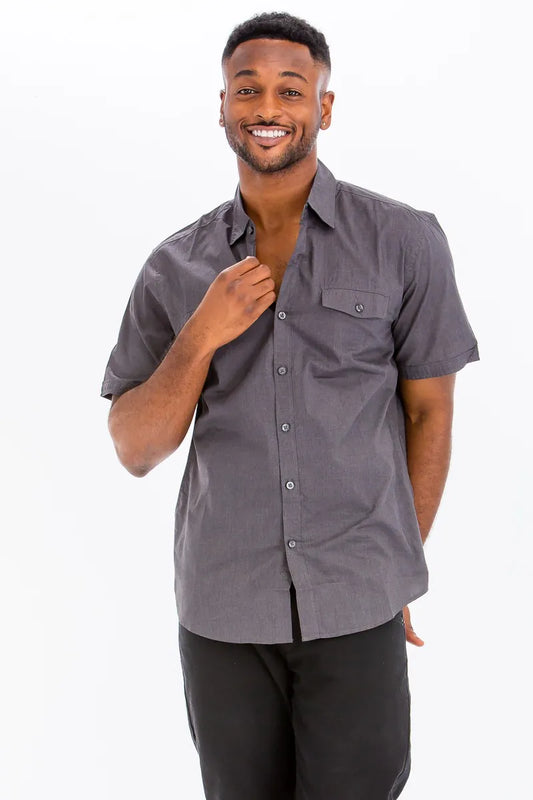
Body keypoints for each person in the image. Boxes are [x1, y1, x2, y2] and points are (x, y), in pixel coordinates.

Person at [100, 11, 480, 799]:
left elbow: (429, 415)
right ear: (222, 107)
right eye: (247, 90)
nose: (267, 107)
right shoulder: (174, 266)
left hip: (357, 599)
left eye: (290, 89)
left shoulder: (403, 240)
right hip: (222, 611)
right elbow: (135, 448)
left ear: (323, 107)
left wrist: (393, 573)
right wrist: (201, 334)